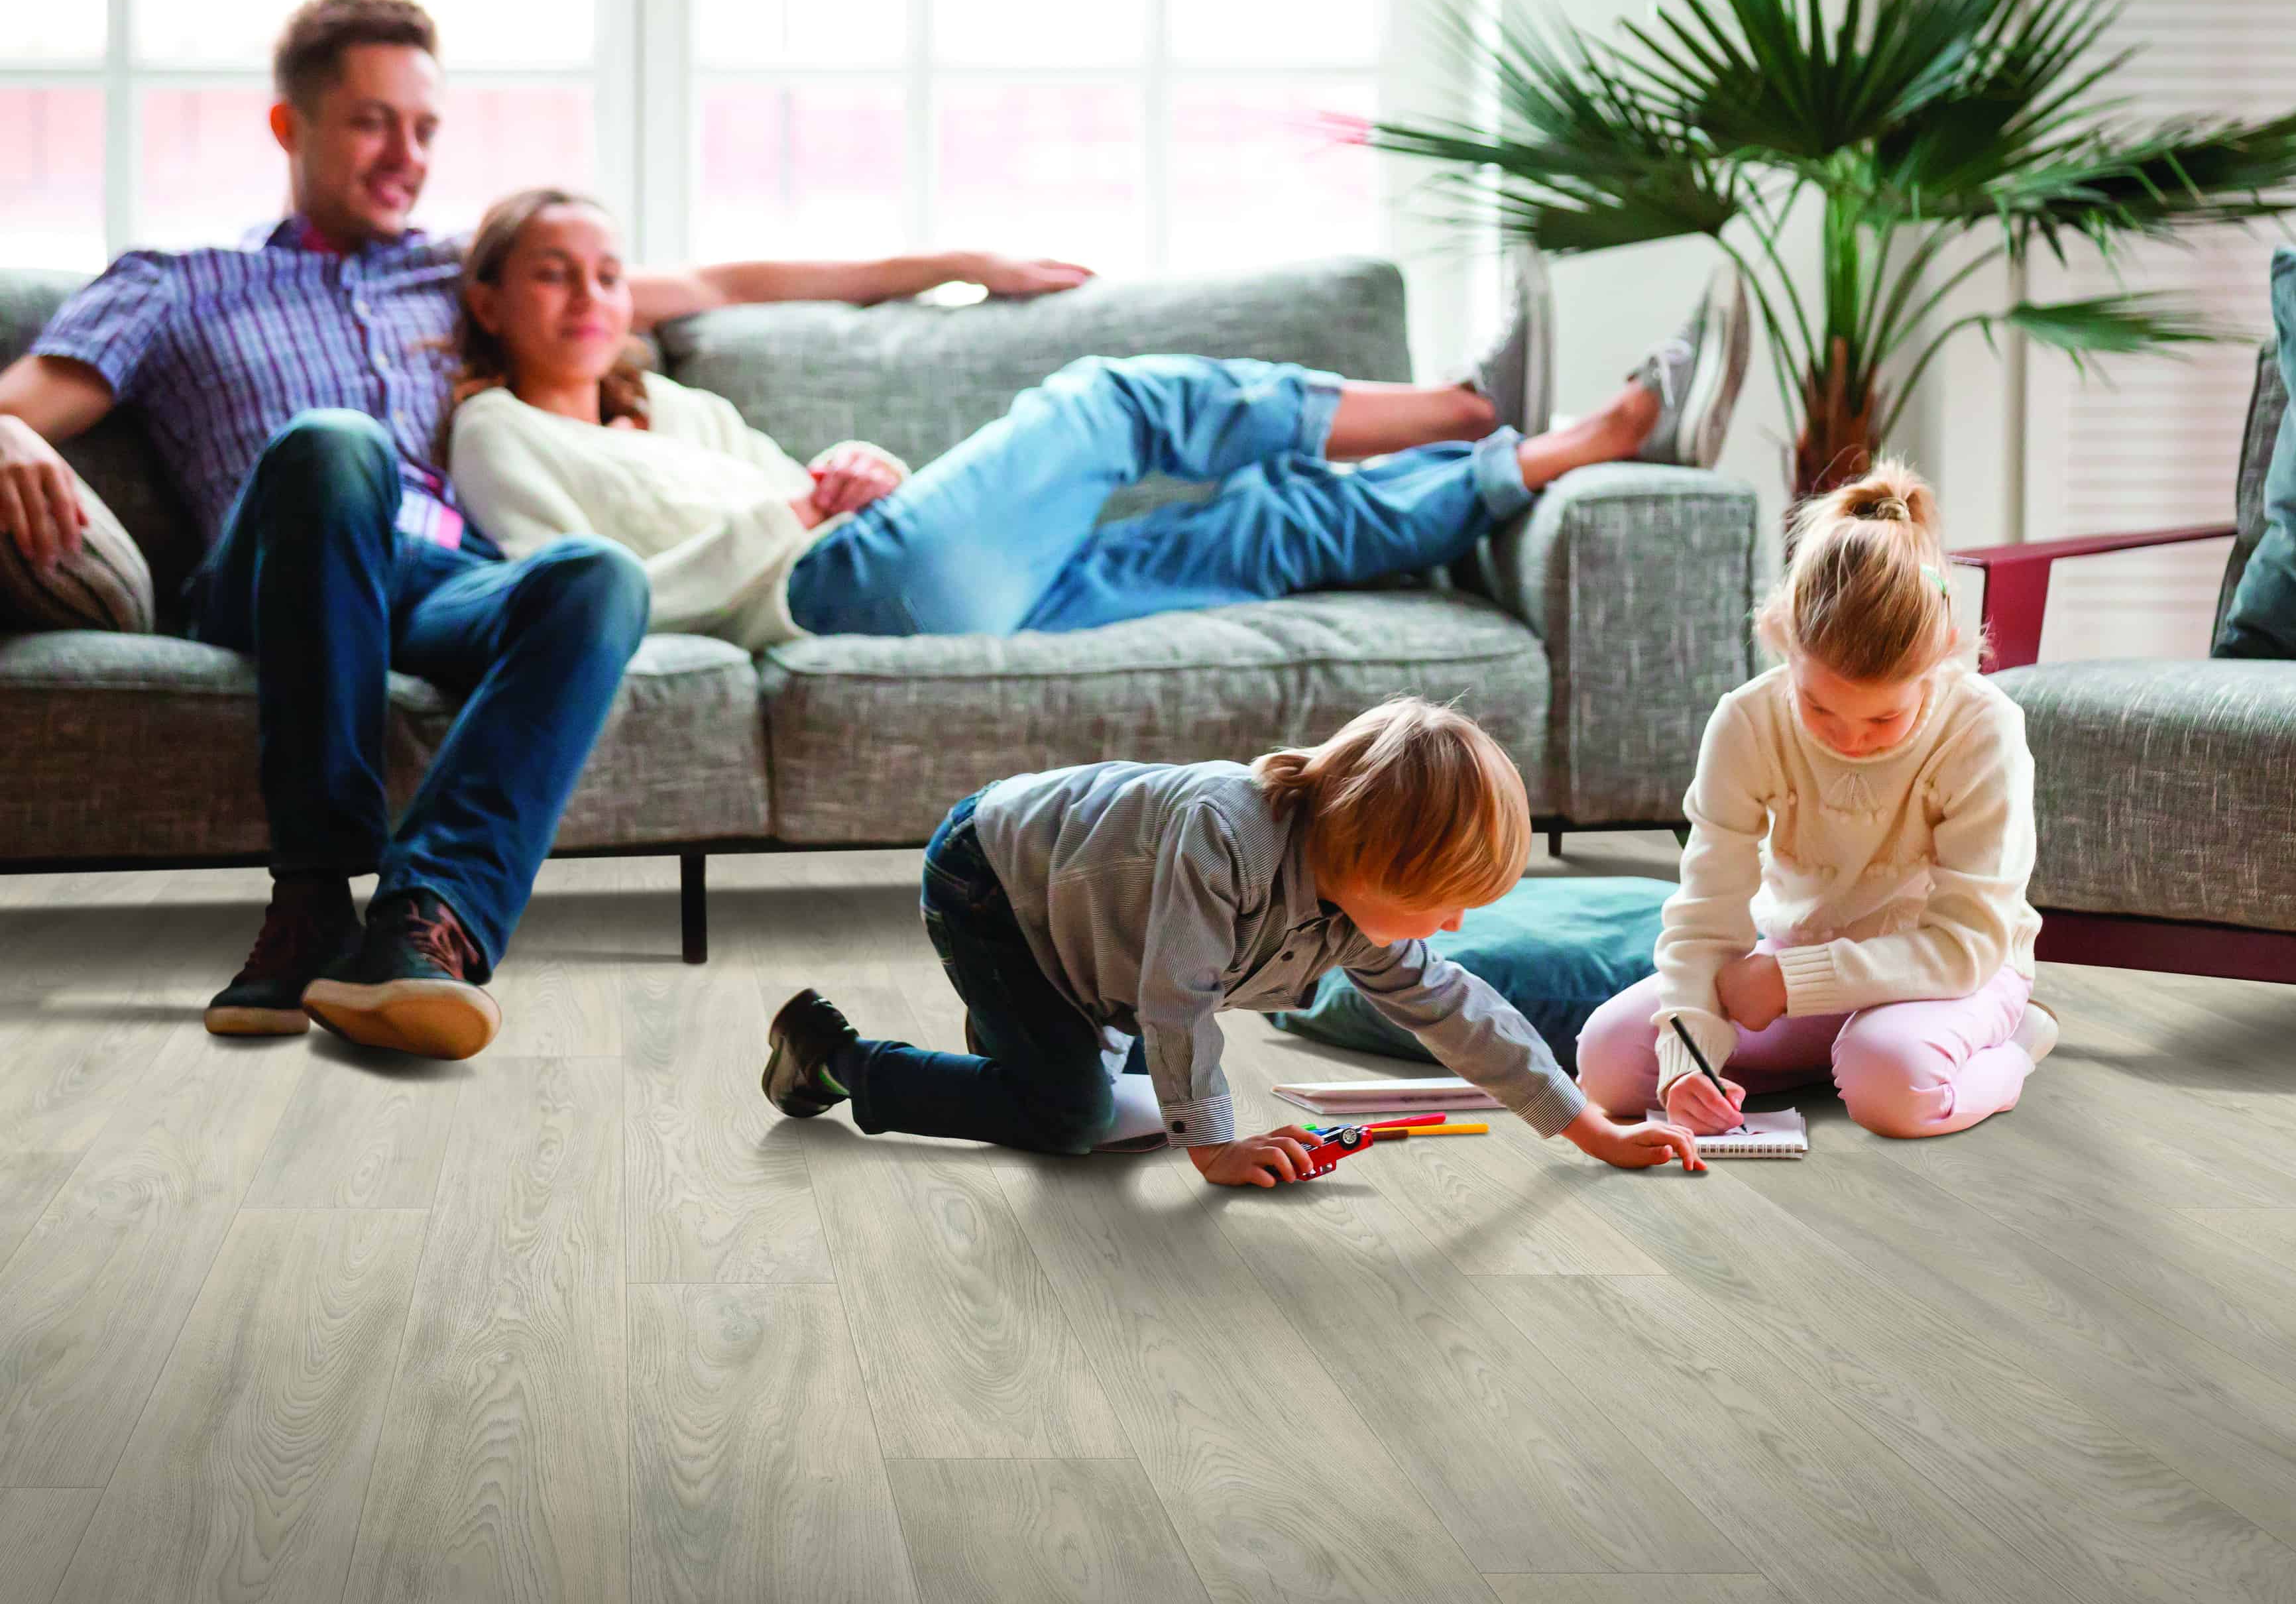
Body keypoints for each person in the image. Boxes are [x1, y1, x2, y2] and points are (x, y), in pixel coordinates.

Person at [0, 0, 1088, 1056]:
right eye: (373, 121)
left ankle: (429, 928)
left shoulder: (458, 269)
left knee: (595, 575)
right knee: (337, 443)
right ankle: (312, 895)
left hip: (437, 577)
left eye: (423, 127)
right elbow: (31, 399)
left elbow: (724, 279)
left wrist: (955, 265)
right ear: (291, 126)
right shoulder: (177, 283)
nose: (406, 154)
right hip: (277, 573)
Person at [440, 190, 1692, 646]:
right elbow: (574, 601)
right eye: (555, 272)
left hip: (899, 573)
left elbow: (795, 479)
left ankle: (1532, 454)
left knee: (1260, 530)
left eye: (608, 272)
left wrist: (851, 467)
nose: (593, 295)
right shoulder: (497, 434)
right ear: (489, 301)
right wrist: (792, 512)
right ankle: (1467, 401)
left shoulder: (676, 406)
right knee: (1112, 399)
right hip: (838, 595)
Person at [756, 698, 1705, 1181]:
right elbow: (1178, 997)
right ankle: (835, 1059)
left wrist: (1594, 1131)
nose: (1451, 929)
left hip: (1096, 932)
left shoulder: (1360, 911)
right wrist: (1214, 1147)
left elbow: (1460, 1013)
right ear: (1368, 861)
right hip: (995, 885)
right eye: (1439, 904)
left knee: (1112, 1106)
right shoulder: (1226, 834)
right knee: (1073, 1119)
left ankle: (1028, 1052)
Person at [1574, 462, 2057, 1140]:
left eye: (1883, 721)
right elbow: (1707, 918)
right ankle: (1836, 1055)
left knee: (1892, 1086)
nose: (1850, 741)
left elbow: (1965, 945)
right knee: (1606, 1065)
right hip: (1795, 961)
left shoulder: (1984, 729)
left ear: (1945, 655)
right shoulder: (1747, 720)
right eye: (1820, 708)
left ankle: (2007, 1048)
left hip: (1952, 974)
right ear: (1780, 636)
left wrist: (1789, 983)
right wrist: (1689, 1062)